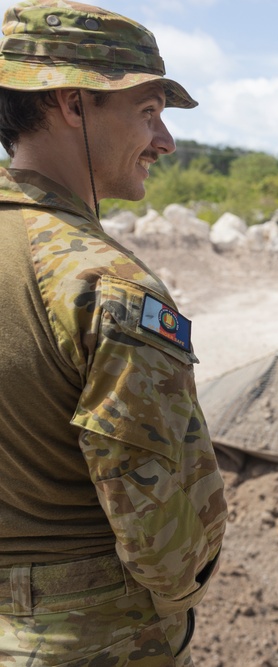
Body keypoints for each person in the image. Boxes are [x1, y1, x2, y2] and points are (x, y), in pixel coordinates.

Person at [0, 1, 227, 663]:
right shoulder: (108, 287)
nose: (166, 142)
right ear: (72, 104)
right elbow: (170, 548)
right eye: (148, 112)